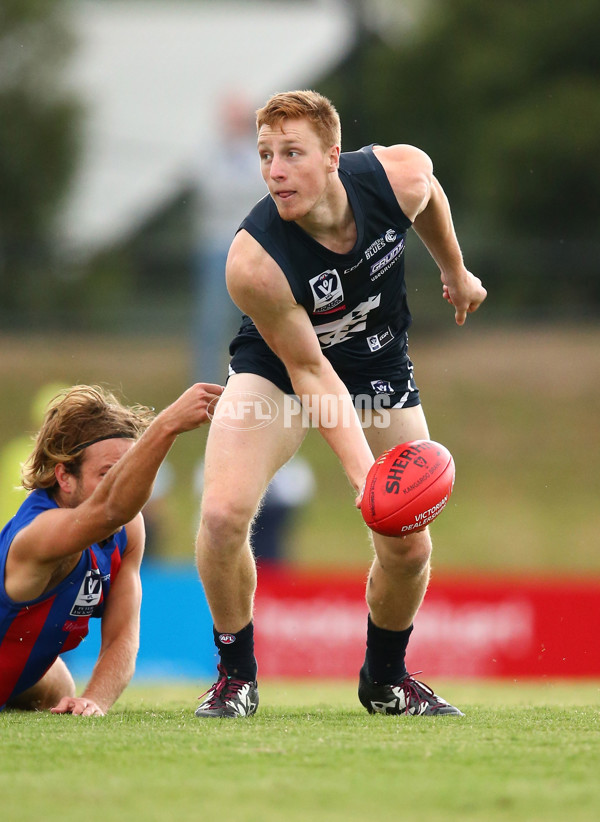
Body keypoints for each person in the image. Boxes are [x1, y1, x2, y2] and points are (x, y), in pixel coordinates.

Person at [194, 90, 486, 719]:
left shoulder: (396, 176)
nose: (274, 170)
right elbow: (309, 371)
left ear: (332, 157)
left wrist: (454, 271)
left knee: (409, 544)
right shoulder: (253, 261)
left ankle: (385, 680)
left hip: (377, 361)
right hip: (281, 367)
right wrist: (366, 478)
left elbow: (429, 192)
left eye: (291, 154)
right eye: (265, 155)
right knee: (220, 514)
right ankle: (235, 678)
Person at [0, 381, 222, 715]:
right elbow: (109, 510)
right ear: (64, 477)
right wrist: (166, 427)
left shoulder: (128, 529)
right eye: (108, 474)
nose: (122, 485)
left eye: (128, 470)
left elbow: (122, 637)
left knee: (59, 686)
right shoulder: (39, 534)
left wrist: (95, 700)